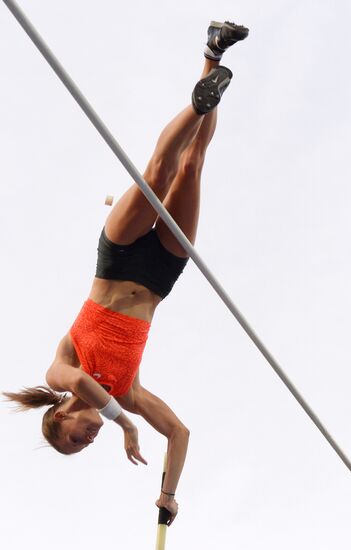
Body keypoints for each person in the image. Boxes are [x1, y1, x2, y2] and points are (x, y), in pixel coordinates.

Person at [3, 20, 249, 525]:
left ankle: (199, 106)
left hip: (115, 259)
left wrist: (126, 428)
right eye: (85, 446)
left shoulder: (59, 372)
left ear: (60, 415)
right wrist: (169, 494)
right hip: (161, 274)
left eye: (74, 438)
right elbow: (179, 433)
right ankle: (213, 54)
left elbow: (92, 391)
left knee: (158, 171)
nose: (87, 439)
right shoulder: (129, 393)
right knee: (193, 166)